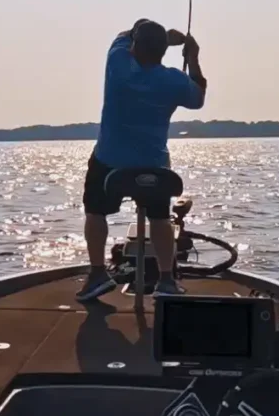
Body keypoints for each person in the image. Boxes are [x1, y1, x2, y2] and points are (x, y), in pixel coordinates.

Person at [76, 18, 207, 302]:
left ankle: (98, 273)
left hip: (110, 162)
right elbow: (198, 98)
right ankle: (166, 279)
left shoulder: (118, 63)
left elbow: (124, 35)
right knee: (159, 217)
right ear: (162, 52)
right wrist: (193, 57)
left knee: (95, 211)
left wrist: (162, 36)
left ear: (135, 45)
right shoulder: (174, 80)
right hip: (154, 166)